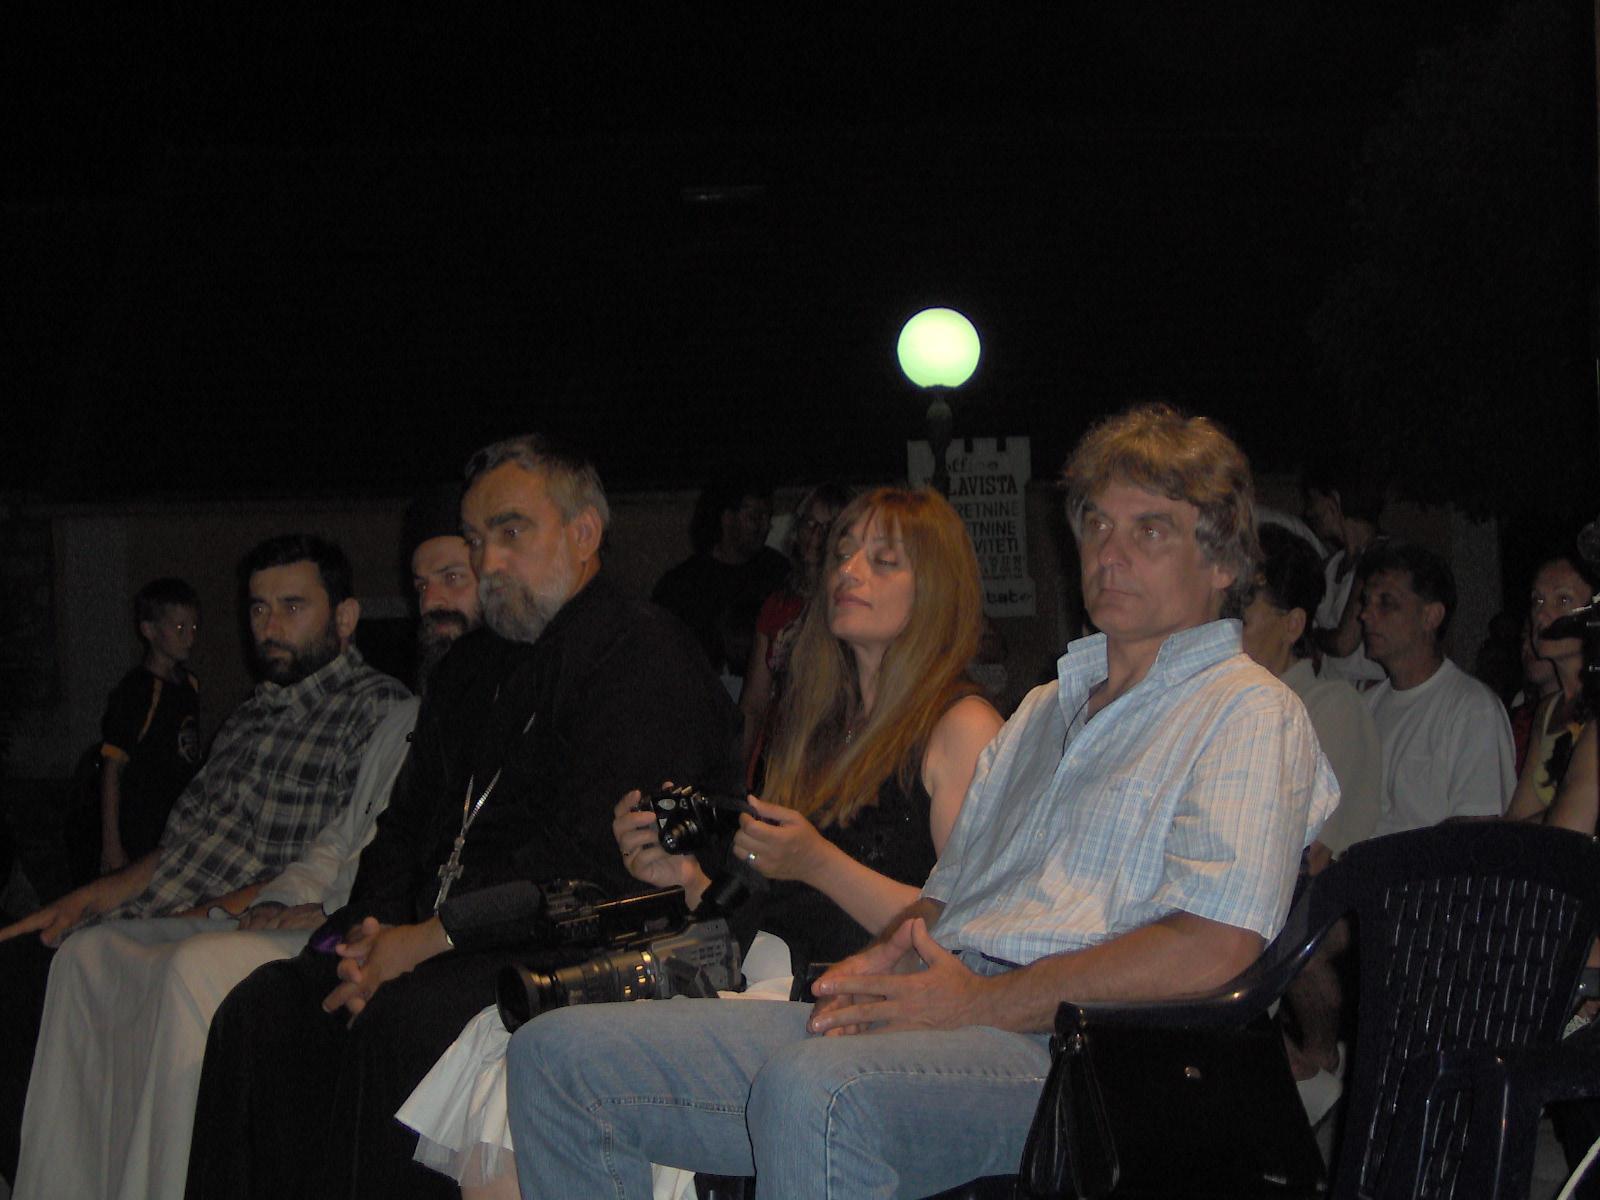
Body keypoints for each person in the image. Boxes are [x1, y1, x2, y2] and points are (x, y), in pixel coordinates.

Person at [505, 403, 1338, 1198]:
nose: (1109, 553)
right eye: (1096, 524)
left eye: (1149, 529)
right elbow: (952, 898)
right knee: (559, 1058)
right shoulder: (1045, 710)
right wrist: (884, 964)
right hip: (966, 1012)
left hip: (1093, 1058)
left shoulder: (1246, 711)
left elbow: (1214, 947)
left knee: (818, 1091)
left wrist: (980, 1002)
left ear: (1223, 562)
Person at [399, 485, 1003, 1196]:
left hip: (861, 1016)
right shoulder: (817, 731)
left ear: (935, 588)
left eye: (883, 560)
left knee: (550, 1067)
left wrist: (819, 863)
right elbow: (760, 912)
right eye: (843, 552)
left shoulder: (961, 726)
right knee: (510, 1053)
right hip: (774, 990)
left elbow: (966, 929)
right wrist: (684, 878)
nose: (848, 571)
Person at [184, 435, 742, 1200]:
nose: (489, 561)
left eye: (511, 532)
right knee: (265, 1011)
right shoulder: (469, 669)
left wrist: (427, 941)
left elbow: (597, 863)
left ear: (583, 532)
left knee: (403, 1021)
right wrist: (370, 937)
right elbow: (404, 830)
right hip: (434, 936)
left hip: (565, 941)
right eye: (478, 540)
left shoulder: (641, 653)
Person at [11, 489, 476, 1200]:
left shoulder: (381, 708)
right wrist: (93, 897)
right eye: (259, 609)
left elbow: (373, 857)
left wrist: (291, 906)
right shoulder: (266, 718)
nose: (270, 626)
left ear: (345, 617)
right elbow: (316, 843)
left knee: (188, 966)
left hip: (329, 924)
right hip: (272, 907)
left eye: (292, 606)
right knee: (82, 955)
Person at [1240, 524, 1383, 1123]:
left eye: (1245, 608)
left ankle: (1317, 1061)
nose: (1228, 623)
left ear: (1292, 624)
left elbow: (1322, 845)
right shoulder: (1234, 707)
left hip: (1330, 890)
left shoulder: (1328, 706)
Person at [1358, 541, 1516, 835]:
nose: (1366, 614)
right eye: (1367, 602)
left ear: (1431, 617)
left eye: (1386, 603)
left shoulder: (1471, 708)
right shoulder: (1366, 706)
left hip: (1425, 866)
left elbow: (1477, 828)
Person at [738, 482, 852, 776]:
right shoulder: (777, 605)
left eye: (827, 528)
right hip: (780, 753)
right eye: (809, 524)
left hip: (833, 756)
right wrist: (737, 771)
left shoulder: (850, 607)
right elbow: (753, 704)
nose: (815, 536)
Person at [97, 577, 204, 874]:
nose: (189, 637)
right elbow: (112, 768)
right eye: (179, 628)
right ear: (149, 631)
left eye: (193, 628)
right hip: (142, 827)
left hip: (179, 824)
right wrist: (112, 844)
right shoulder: (137, 691)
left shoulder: (189, 684)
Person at [652, 476, 790, 696]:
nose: (763, 527)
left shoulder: (779, 573)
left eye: (768, 517)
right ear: (727, 518)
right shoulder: (683, 585)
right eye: (754, 517)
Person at [1505, 551, 1598, 821]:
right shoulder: (1547, 711)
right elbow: (1519, 818)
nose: (1542, 614)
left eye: (1563, 600)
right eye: (1538, 600)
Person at [1303, 459, 1389, 687]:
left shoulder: (1382, 560)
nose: (1309, 511)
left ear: (1335, 500)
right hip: (1332, 692)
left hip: (1366, 696)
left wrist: (1312, 635)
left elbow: (1344, 643)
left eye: (1313, 500)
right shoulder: (1331, 565)